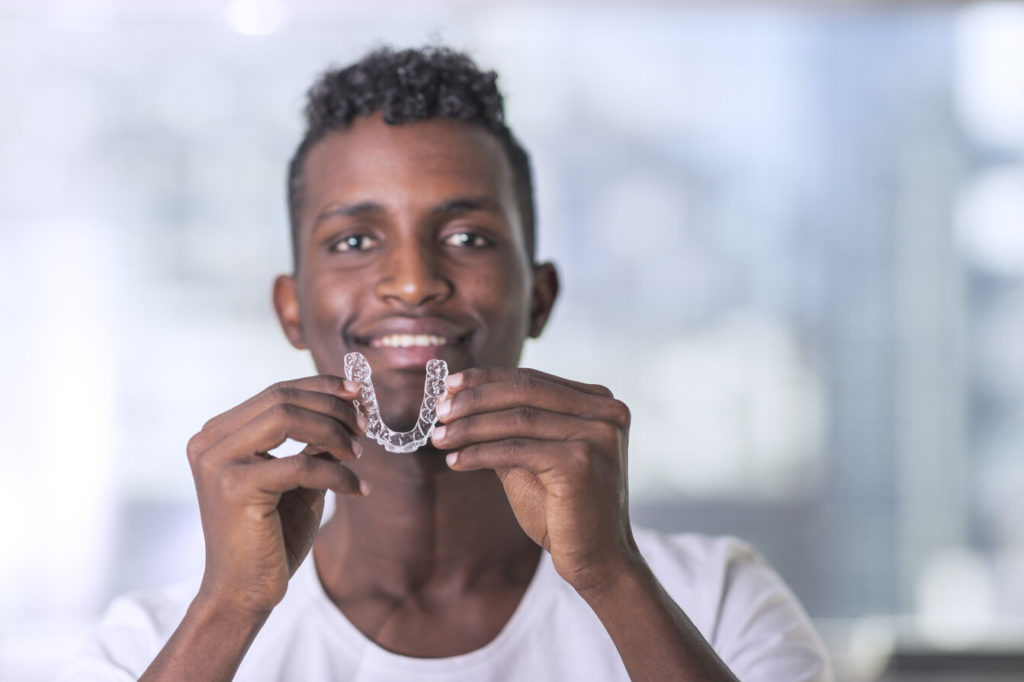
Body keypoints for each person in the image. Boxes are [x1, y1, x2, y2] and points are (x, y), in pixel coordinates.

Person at [60, 46, 832, 681]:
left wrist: (611, 576)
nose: (412, 282)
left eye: (467, 237)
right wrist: (230, 609)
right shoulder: (156, 640)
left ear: (540, 296)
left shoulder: (718, 601)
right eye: (355, 241)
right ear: (291, 307)